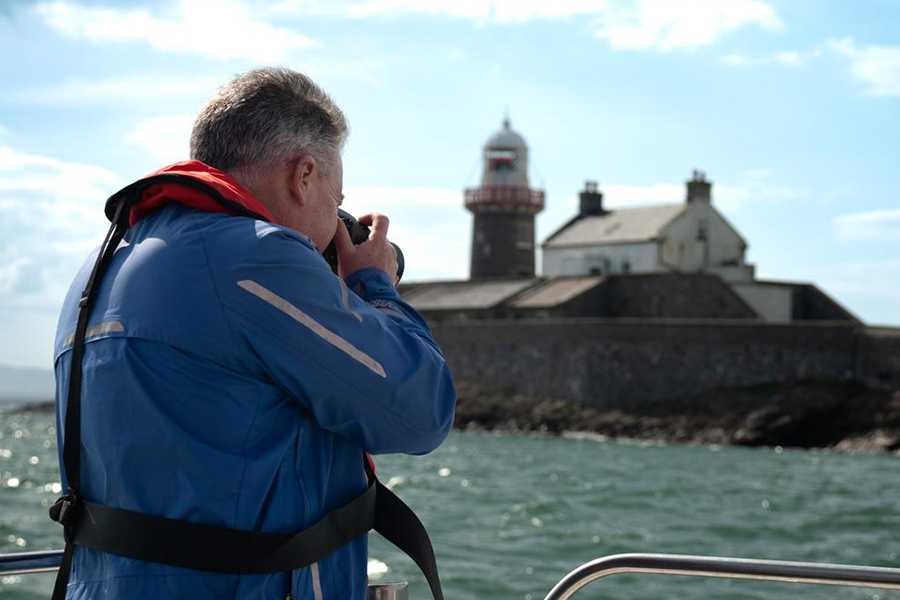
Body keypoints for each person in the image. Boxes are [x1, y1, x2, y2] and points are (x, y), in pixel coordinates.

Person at [52, 67, 457, 599]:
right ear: (304, 175)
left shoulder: (102, 267)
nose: (334, 225)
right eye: (336, 199)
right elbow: (420, 409)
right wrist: (374, 284)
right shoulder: (254, 259)